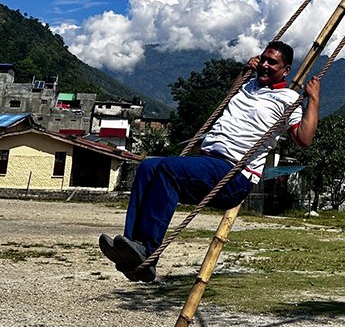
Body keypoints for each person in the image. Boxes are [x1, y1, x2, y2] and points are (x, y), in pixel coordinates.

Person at [99, 40, 319, 282]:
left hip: (234, 174)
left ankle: (148, 252)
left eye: (272, 62)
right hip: (208, 163)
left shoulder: (288, 99)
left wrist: (313, 100)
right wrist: (244, 71)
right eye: (263, 59)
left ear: (286, 71)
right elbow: (228, 99)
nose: (265, 65)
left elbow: (304, 139)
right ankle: (131, 247)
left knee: (169, 170)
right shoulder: (248, 86)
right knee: (148, 166)